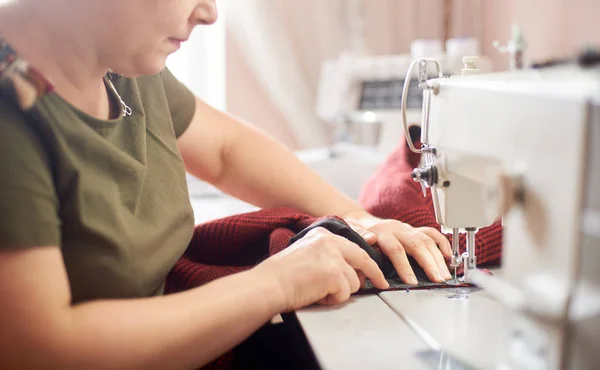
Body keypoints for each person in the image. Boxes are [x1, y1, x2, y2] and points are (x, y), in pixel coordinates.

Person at [0, 1, 453, 369]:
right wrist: (275, 284)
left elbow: (225, 149)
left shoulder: (120, 61)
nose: (210, 12)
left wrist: (361, 220)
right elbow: (41, 348)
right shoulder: (12, 110)